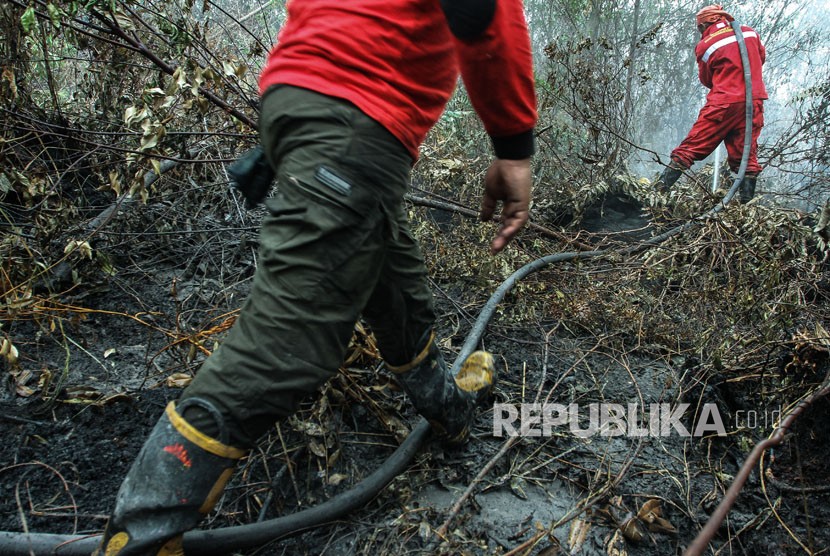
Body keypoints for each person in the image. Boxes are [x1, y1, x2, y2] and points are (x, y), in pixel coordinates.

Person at [96, 0, 537, 553]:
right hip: (357, 119)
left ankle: (447, 409)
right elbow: (481, 12)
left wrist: (299, 121)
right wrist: (514, 146)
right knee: (286, 345)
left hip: (307, 98)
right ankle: (138, 536)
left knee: (397, 287)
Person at [656, 4, 767, 203]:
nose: (700, 31)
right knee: (746, 156)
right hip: (753, 102)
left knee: (691, 147)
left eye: (700, 28)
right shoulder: (750, 33)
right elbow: (760, 59)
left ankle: (655, 195)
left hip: (723, 103)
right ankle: (746, 210)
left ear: (707, 23)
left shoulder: (706, 44)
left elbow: (707, 79)